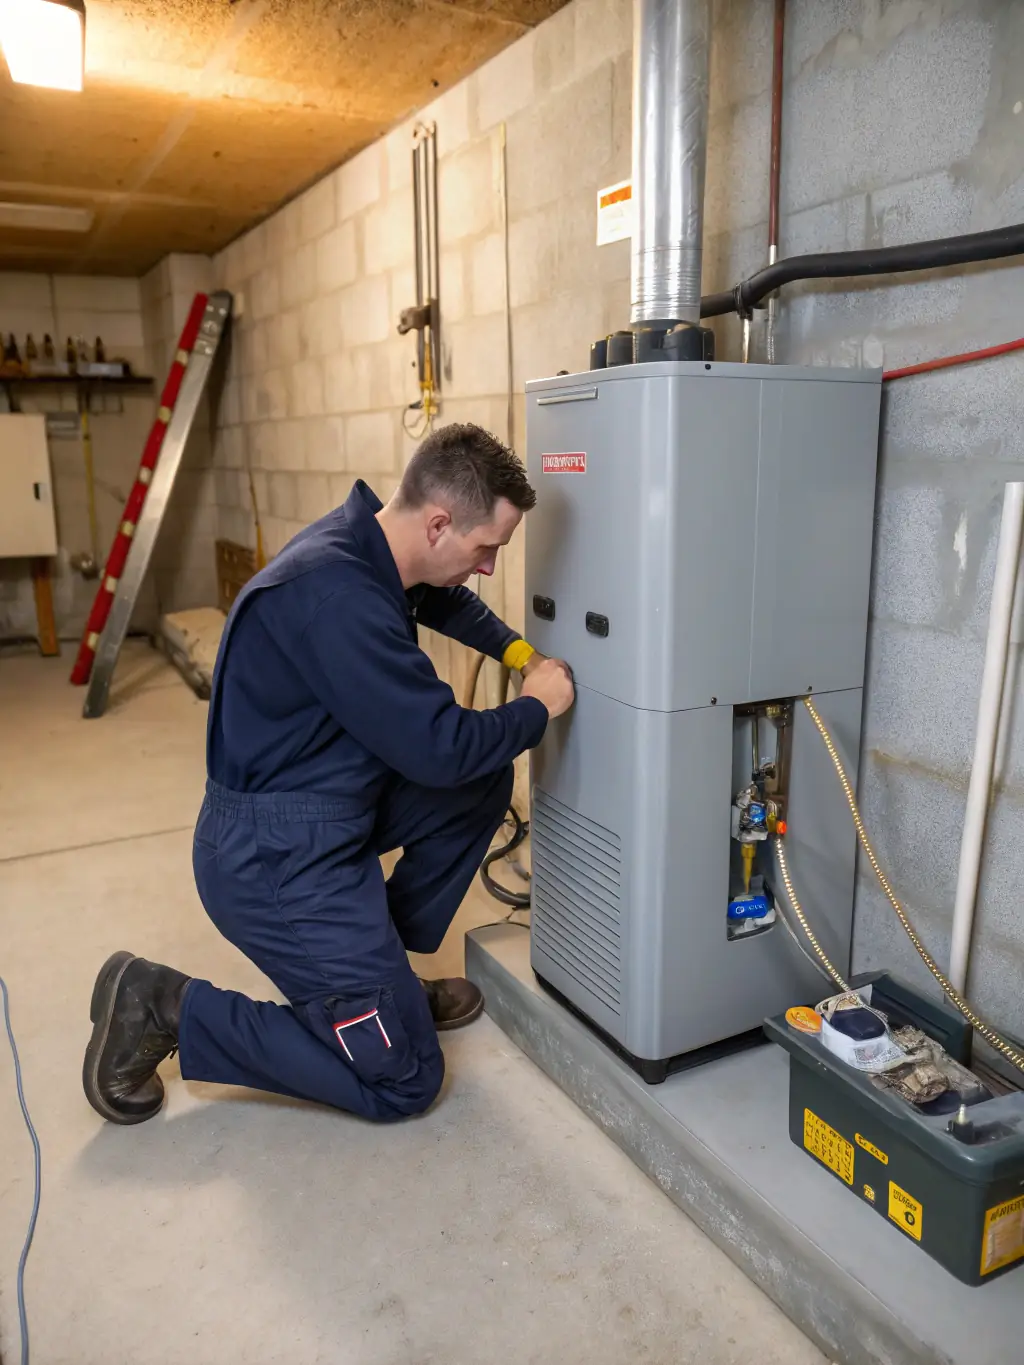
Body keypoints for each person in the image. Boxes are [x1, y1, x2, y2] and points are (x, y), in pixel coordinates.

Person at [82, 423, 574, 1126]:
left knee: (478, 788)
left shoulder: (369, 544)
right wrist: (536, 706)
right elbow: (443, 746)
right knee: (403, 1078)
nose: (490, 566)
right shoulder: (336, 601)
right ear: (438, 523)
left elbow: (444, 601)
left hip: (325, 805)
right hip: (273, 859)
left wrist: (520, 651)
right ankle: (162, 1004)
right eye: (485, 549)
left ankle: (383, 986)